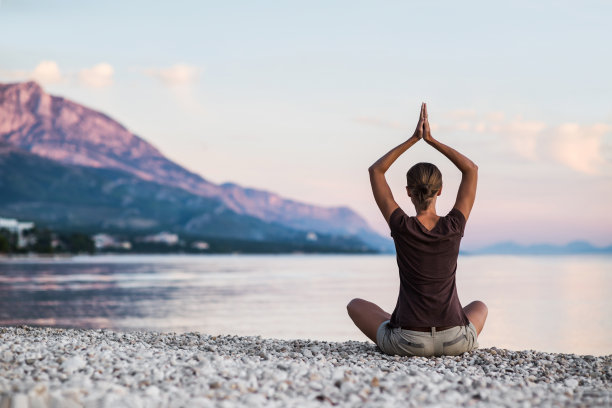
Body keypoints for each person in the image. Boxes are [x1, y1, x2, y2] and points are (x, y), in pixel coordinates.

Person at [347, 103, 488, 357]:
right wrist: (432, 140)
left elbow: (375, 171)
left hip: (407, 341)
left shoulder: (401, 226)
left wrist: (413, 139)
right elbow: (471, 169)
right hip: (454, 340)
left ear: (409, 192)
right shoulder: (454, 225)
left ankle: (407, 322)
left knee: (355, 305)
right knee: (480, 307)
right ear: (441, 191)